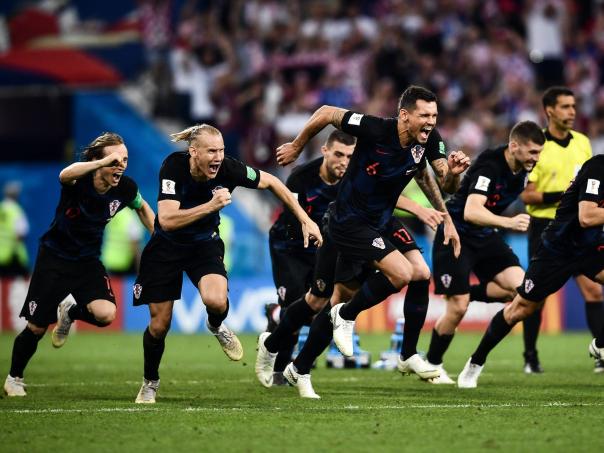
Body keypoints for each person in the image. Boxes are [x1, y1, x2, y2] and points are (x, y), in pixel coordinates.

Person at [271, 86, 467, 398]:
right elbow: (326, 112)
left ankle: (407, 354)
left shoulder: (428, 139)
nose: (431, 121)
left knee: (420, 273)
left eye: (434, 115)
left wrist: (452, 185)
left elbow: (442, 179)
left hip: (382, 221)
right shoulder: (376, 129)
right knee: (336, 296)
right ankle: (307, 351)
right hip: (348, 222)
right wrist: (297, 146)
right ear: (404, 115)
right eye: (424, 115)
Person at [133, 123, 322, 404]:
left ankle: (216, 325)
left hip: (203, 245)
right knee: (160, 326)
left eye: (221, 150)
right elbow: (168, 220)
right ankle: (150, 382)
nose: (218, 157)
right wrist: (212, 205)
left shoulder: (229, 169)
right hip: (166, 247)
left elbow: (272, 182)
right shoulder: (173, 167)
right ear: (193, 152)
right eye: (211, 151)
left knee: (216, 301)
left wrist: (305, 219)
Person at [3, 132, 155, 397]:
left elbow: (142, 208)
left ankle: (70, 312)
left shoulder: (125, 188)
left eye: (125, 159)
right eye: (115, 159)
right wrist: (102, 163)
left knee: (106, 314)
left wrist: (160, 237)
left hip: (87, 262)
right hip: (54, 259)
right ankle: (14, 378)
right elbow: (64, 174)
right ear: (97, 160)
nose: (121, 165)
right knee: (37, 327)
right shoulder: (79, 180)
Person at [458, 155, 604, 388]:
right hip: (558, 249)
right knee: (521, 308)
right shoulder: (597, 167)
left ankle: (600, 344)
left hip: (592, 247)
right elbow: (586, 216)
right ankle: (476, 361)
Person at [426, 121, 545, 384]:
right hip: (455, 234)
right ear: (514, 146)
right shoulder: (489, 166)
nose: (536, 158)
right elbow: (472, 211)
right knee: (457, 308)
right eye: (532, 152)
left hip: (484, 236)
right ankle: (433, 365)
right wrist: (509, 223)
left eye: (539, 153)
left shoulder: (525, 169)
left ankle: (467, 295)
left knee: (523, 292)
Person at [520, 86, 604, 374]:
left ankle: (600, 353)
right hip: (547, 228)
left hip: (580, 230)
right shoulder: (537, 144)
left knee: (593, 291)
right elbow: (527, 195)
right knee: (535, 300)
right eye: (565, 106)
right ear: (550, 111)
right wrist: (568, 195)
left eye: (574, 106)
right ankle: (530, 356)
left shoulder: (583, 142)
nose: (572, 112)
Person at [264, 129, 356, 383]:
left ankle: (275, 316)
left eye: (350, 156)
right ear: (325, 151)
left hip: (321, 248)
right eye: (339, 154)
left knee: (314, 309)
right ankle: (279, 370)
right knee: (297, 304)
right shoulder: (301, 177)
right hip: (289, 246)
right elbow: (293, 220)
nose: (344, 161)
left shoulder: (352, 179)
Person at [101, 207, 145, 275]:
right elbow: (135, 246)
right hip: (125, 266)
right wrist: (141, 271)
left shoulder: (112, 213)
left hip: (109, 262)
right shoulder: (130, 218)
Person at [0, 181, 30, 277]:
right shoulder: (15, 210)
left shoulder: (1, 207)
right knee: (27, 277)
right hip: (13, 252)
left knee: (4, 279)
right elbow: (22, 232)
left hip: (2, 253)